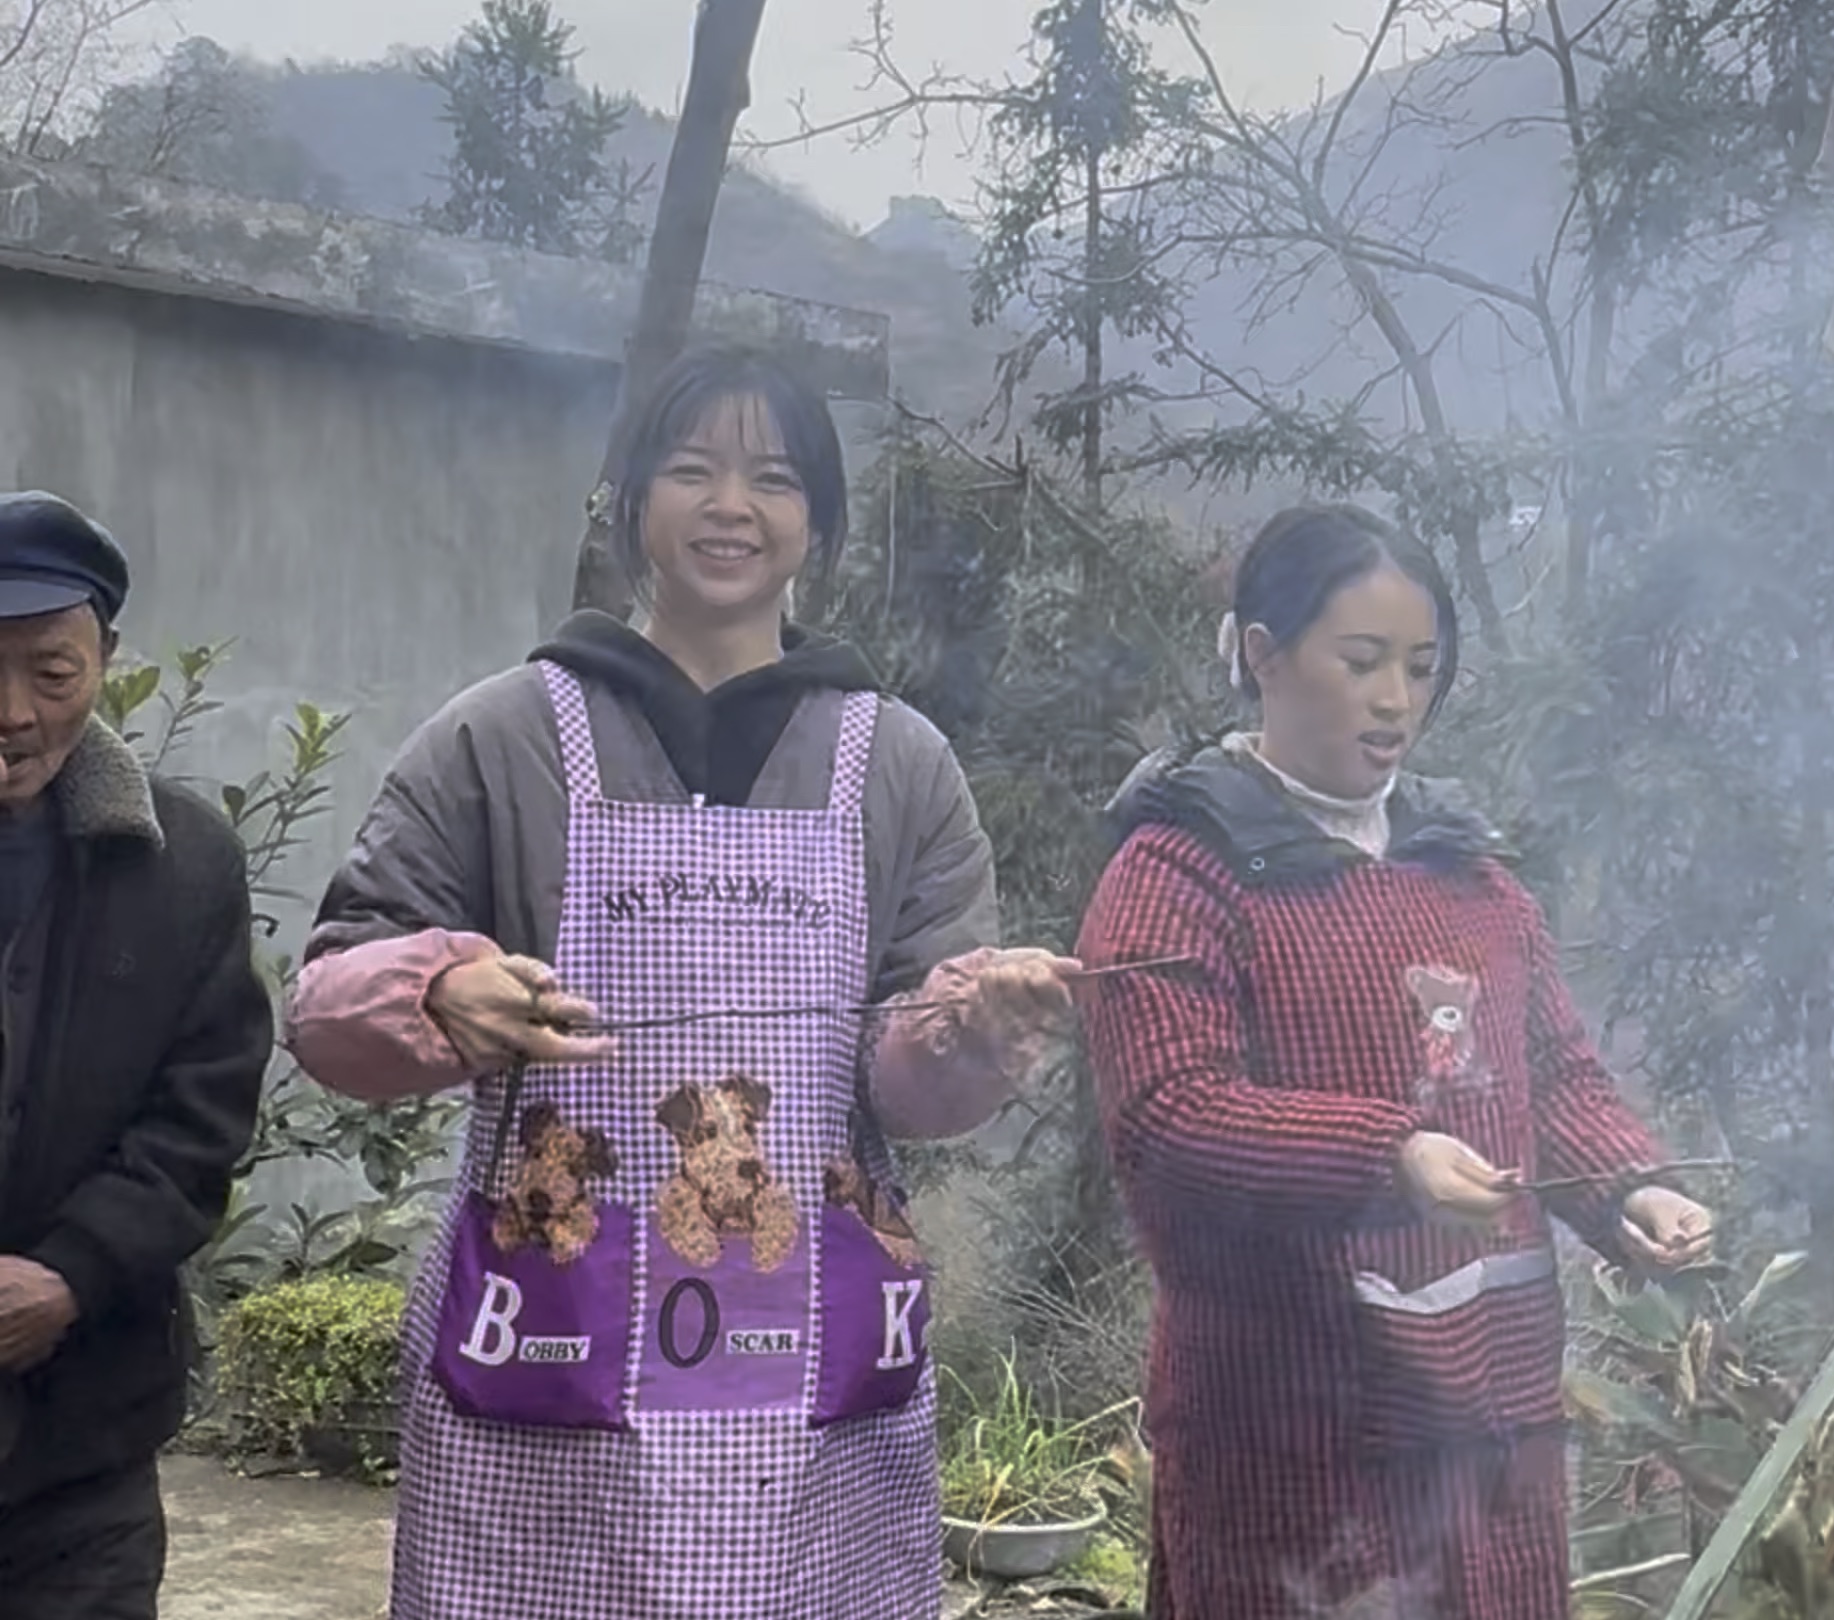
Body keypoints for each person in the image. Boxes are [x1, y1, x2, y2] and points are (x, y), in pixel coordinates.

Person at [285, 347, 1076, 1620]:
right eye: (691, 469)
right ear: (628, 499)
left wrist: (972, 1030)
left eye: (772, 478)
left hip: (810, 1345)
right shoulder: (505, 733)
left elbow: (910, 1083)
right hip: (550, 1333)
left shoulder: (901, 764)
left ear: (816, 520)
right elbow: (327, 1002)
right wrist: (438, 994)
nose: (731, 506)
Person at [1076, 504, 1715, 1620]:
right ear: (1263, 657)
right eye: (1361, 661)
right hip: (1292, 1440)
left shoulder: (1471, 879)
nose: (1395, 701)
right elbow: (1170, 1124)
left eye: (1421, 669)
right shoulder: (1180, 873)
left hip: (1493, 1424)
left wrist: (1632, 1189)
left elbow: (1555, 1073)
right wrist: (1389, 1152)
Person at [0, 491, 273, 1618]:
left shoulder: (184, 864)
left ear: (105, 660)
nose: (10, 714)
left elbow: (201, 1113)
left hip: (84, 1447)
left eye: (50, 674)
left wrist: (71, 1271)